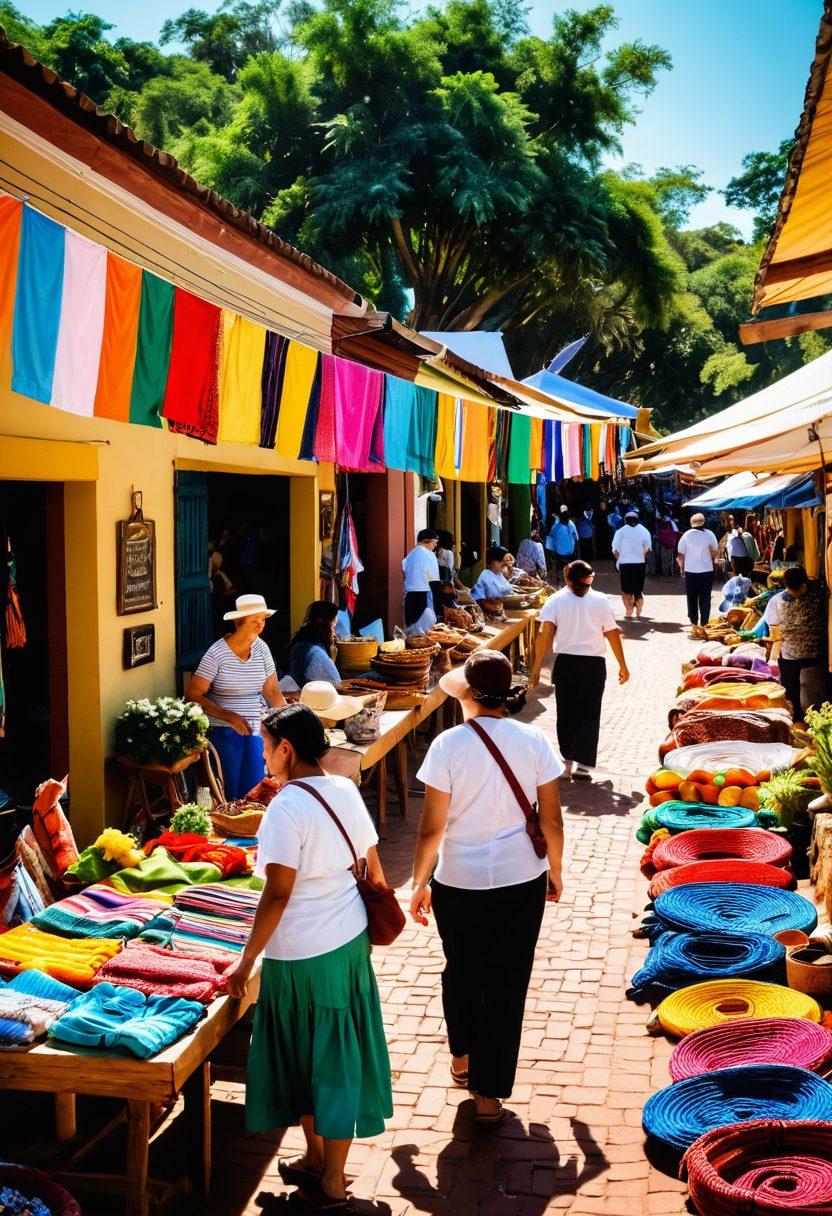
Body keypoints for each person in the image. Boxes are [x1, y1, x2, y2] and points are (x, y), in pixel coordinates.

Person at [226, 704, 392, 1208]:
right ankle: (321, 1163)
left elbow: (276, 893)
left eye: (264, 744)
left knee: (309, 1060)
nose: (262, 753)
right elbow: (375, 869)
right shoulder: (343, 787)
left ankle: (333, 1180)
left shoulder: (284, 808)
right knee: (329, 1060)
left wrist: (245, 959)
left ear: (286, 749)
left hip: (300, 956)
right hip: (346, 945)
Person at [409, 651, 564, 1127]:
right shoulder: (535, 740)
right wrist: (556, 869)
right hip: (522, 879)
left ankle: (462, 1056)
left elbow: (431, 827)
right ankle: (487, 1094)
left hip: (458, 880)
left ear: (470, 695)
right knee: (506, 982)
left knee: (460, 969)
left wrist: (419, 881)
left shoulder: (447, 746)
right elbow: (552, 818)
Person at [529, 560, 629, 782]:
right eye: (581, 585)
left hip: (590, 663)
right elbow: (545, 636)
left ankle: (581, 764)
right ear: (568, 579)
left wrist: (623, 664)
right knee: (568, 713)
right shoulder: (556, 601)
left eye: (587, 584)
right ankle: (569, 759)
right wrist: (535, 669)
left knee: (586, 713)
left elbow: (612, 633)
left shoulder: (598, 600)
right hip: (571, 663)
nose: (584, 589)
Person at [187, 593, 284, 799]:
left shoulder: (262, 648)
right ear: (239, 622)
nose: (260, 625)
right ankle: (232, 830)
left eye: (263, 619)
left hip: (255, 727)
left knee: (257, 790)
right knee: (231, 791)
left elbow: (273, 692)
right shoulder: (216, 654)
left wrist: (288, 725)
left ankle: (253, 830)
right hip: (223, 730)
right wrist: (229, 716)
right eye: (254, 620)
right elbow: (193, 695)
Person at [763, 565, 826, 717]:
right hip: (814, 657)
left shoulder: (776, 601)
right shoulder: (818, 596)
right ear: (804, 584)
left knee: (792, 697)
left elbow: (775, 633)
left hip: (792, 658)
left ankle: (796, 720)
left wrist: (771, 654)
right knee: (815, 700)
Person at [677, 512, 718, 637]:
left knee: (692, 598)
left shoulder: (686, 536)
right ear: (703, 522)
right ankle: (704, 624)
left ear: (691, 523)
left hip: (691, 571)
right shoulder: (710, 534)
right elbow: (715, 551)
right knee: (705, 598)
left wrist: (681, 567)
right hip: (707, 571)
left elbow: (680, 554)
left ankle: (694, 623)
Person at [288, 600, 342, 687]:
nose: (334, 634)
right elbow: (336, 684)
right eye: (332, 628)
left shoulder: (299, 641)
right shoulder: (315, 652)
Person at [611, 510, 652, 619]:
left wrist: (619, 561)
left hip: (625, 565)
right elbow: (647, 550)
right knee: (638, 591)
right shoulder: (644, 531)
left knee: (626, 590)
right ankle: (639, 611)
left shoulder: (620, 532)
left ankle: (629, 611)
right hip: (640, 564)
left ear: (625, 521)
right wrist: (640, 556)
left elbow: (615, 551)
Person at [402, 529, 441, 635]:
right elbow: (432, 579)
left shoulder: (410, 555)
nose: (435, 546)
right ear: (428, 540)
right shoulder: (429, 555)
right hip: (423, 596)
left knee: (410, 632)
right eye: (435, 542)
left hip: (409, 597)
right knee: (423, 635)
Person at [469, 546, 515, 619]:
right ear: (490, 562)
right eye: (499, 562)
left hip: (497, 609)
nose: (503, 564)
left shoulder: (499, 574)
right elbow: (494, 595)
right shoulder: (486, 574)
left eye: (503, 562)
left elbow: (509, 590)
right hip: (484, 611)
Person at [547, 508, 578, 586]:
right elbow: (576, 538)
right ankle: (568, 583)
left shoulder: (555, 527)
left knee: (560, 570)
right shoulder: (570, 525)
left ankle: (561, 583)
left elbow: (550, 543)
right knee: (569, 570)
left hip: (559, 553)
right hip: (568, 553)